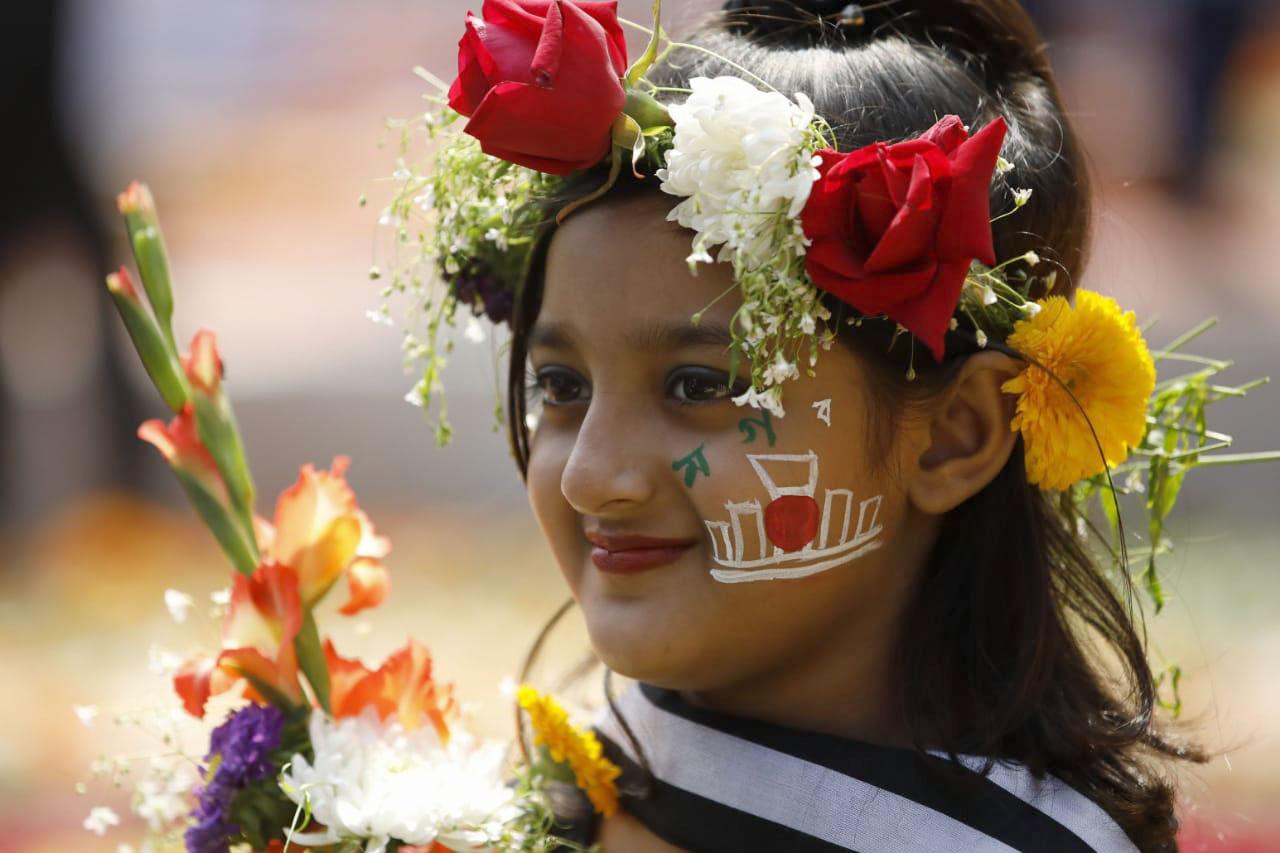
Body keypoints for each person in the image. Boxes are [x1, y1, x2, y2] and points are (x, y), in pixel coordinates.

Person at [422, 0, 1207, 849]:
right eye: (562, 386)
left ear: (956, 435)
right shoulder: (538, 805)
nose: (589, 474)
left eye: (696, 384)